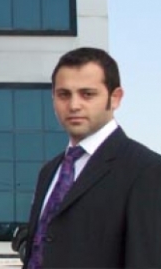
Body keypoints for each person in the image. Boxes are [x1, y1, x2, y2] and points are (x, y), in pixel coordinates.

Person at [23, 47, 161, 268]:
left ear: (115, 98)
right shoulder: (48, 172)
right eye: (64, 94)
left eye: (87, 94)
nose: (74, 105)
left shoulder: (146, 170)